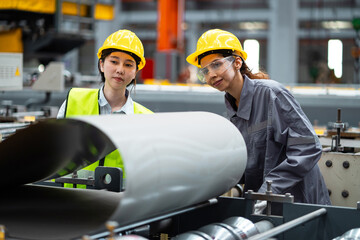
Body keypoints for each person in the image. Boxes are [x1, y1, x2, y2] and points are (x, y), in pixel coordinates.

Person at [186, 29, 331, 213]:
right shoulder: (233, 110)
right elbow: (249, 163)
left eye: (216, 65)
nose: (211, 75)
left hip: (299, 203)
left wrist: (270, 190)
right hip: (264, 205)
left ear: (237, 62)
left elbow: (308, 148)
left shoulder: (272, 94)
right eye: (205, 71)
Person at [57, 29, 153, 187]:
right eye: (114, 61)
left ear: (135, 71)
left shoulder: (145, 118)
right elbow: (56, 152)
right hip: (72, 200)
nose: (120, 69)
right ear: (102, 64)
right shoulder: (74, 100)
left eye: (128, 64)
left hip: (118, 205)